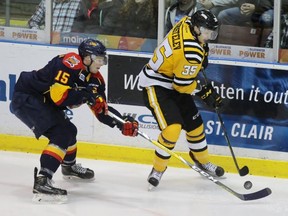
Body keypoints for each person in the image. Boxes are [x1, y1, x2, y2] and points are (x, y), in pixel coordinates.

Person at [10, 38, 139, 203]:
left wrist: (122, 123)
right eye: (98, 58)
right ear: (86, 58)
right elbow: (59, 98)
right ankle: (43, 180)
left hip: (44, 101)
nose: (101, 63)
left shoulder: (96, 80)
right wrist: (86, 95)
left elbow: (102, 111)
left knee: (70, 131)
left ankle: (69, 167)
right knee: (61, 133)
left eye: (103, 59)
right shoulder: (69, 63)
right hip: (28, 97)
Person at [138, 10, 225, 188]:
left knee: (195, 126)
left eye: (212, 32)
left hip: (172, 78)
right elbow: (181, 86)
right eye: (207, 32)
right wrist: (203, 92)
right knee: (172, 129)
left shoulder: (186, 21)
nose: (210, 36)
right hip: (156, 84)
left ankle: (202, 161)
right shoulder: (191, 52)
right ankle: (158, 169)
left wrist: (203, 53)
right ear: (196, 28)